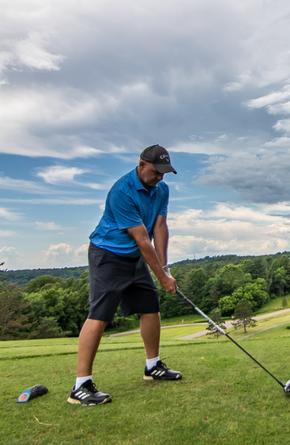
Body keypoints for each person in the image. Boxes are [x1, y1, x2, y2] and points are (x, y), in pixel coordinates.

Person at [68, 144, 181, 406]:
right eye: (156, 172)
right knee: (99, 315)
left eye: (164, 173)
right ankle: (80, 385)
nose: (160, 177)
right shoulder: (122, 191)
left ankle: (153, 367)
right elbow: (142, 239)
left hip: (135, 257)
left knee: (150, 307)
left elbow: (160, 226)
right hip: (108, 255)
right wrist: (163, 279)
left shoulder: (161, 189)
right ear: (142, 165)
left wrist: (164, 269)